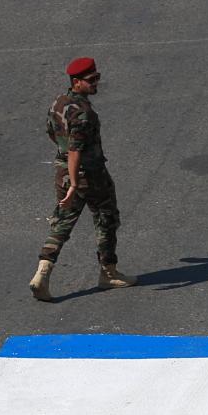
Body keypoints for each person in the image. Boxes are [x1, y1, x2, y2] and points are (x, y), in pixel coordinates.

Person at [29, 56, 136, 301]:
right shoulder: (83, 114)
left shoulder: (59, 102)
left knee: (62, 224)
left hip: (63, 173)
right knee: (107, 219)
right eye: (91, 80)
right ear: (76, 82)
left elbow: (52, 133)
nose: (96, 83)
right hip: (90, 175)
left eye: (97, 77)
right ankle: (108, 272)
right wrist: (77, 181)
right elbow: (76, 150)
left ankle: (42, 271)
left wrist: (68, 174)